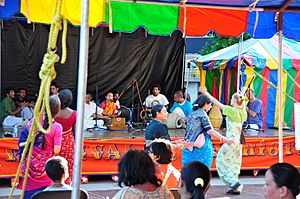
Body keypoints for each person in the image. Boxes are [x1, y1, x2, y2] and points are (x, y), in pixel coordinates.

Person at [199, 86, 247, 195]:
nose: (230, 100)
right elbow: (241, 99)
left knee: (221, 162)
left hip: (230, 141)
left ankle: (233, 183)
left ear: (235, 101)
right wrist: (242, 92)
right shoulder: (243, 112)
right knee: (234, 164)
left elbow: (216, 103)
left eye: (232, 99)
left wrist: (206, 93)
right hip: (238, 143)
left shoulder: (231, 110)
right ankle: (235, 186)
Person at [17, 95, 62, 199]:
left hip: (29, 166)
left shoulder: (33, 122)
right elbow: (56, 150)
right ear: (57, 110)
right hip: (46, 170)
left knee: (29, 193)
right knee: (45, 195)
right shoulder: (57, 127)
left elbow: (24, 141)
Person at [182, 94, 235, 168]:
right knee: (201, 173)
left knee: (189, 174)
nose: (210, 107)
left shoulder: (192, 113)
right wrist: (226, 140)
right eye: (210, 105)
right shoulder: (202, 115)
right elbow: (210, 131)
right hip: (199, 150)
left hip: (188, 148)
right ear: (206, 104)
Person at [54, 89, 76, 185]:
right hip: (68, 142)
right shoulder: (74, 114)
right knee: (68, 164)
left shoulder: (53, 112)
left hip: (55, 141)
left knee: (55, 164)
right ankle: (66, 184)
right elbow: (75, 131)